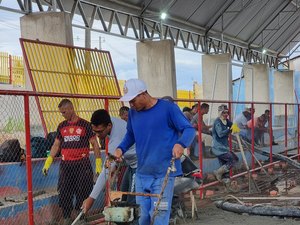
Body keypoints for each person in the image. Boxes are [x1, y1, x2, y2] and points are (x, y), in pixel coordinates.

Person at [112, 79, 195, 225]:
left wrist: (181, 144)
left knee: (158, 216)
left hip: (163, 174)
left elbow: (188, 129)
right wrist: (120, 148)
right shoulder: (132, 113)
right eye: (128, 101)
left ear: (143, 93)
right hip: (142, 173)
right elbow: (130, 135)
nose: (130, 104)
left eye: (133, 100)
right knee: (142, 217)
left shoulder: (168, 109)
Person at [42, 99, 102, 225]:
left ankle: (81, 217)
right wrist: (48, 162)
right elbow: (56, 145)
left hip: (82, 165)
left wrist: (98, 163)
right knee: (64, 191)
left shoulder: (85, 125)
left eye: (64, 112)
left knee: (83, 191)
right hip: (66, 166)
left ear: (71, 109)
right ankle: (67, 218)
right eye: (61, 113)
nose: (62, 114)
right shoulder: (61, 126)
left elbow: (95, 144)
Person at [81, 109, 137, 216]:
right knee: (123, 199)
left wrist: (91, 198)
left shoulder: (114, 142)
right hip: (130, 165)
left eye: (100, 131)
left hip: (139, 166)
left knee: (131, 206)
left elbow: (106, 172)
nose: (97, 135)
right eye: (95, 132)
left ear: (109, 126)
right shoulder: (109, 119)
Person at [212, 104, 240, 192]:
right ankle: (217, 172)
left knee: (226, 171)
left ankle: (228, 188)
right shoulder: (217, 122)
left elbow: (232, 125)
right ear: (220, 113)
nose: (225, 114)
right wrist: (230, 129)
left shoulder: (226, 121)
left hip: (224, 147)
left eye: (226, 113)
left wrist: (235, 127)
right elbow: (220, 134)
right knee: (233, 159)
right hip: (218, 148)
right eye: (223, 113)